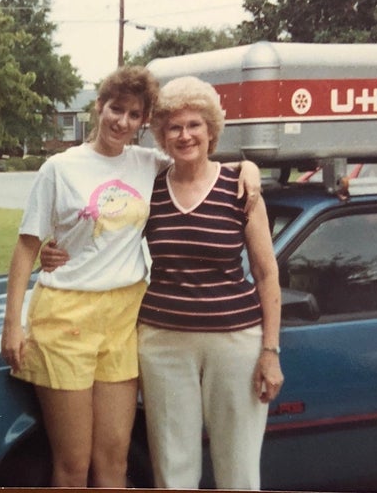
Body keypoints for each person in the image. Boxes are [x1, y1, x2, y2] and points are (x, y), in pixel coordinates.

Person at [1, 65, 260, 488]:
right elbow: (27, 246)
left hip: (124, 318)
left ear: (143, 123)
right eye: (115, 109)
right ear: (98, 108)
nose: (122, 121)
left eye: (134, 114)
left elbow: (199, 157)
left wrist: (247, 169)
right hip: (66, 315)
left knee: (114, 460)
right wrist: (13, 323)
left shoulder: (148, 164)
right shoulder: (60, 168)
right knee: (72, 463)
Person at [136, 75, 283, 490]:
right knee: (172, 466)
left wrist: (270, 351)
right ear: (162, 136)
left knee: (238, 466)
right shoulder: (150, 191)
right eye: (174, 127)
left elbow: (267, 273)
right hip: (162, 342)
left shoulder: (240, 186)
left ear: (211, 129)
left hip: (235, 342)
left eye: (194, 124)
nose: (185, 135)